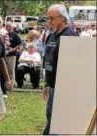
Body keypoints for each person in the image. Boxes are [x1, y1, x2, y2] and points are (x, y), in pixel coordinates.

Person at [43, 4, 76, 134]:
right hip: (52, 86)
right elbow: (48, 60)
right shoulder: (51, 35)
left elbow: (71, 66)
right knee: (50, 116)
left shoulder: (69, 36)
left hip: (63, 87)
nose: (49, 22)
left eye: (52, 18)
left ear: (62, 18)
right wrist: (46, 83)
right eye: (48, 18)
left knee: (58, 121)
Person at [5, 21, 22, 86]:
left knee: (11, 70)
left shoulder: (15, 35)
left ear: (12, 27)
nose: (8, 28)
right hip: (4, 54)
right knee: (5, 70)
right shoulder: (4, 34)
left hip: (12, 55)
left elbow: (19, 44)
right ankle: (5, 83)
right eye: (7, 26)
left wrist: (13, 49)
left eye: (9, 26)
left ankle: (11, 84)